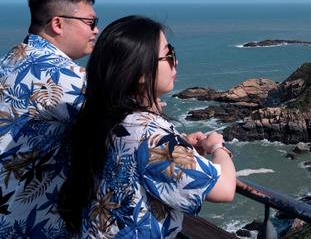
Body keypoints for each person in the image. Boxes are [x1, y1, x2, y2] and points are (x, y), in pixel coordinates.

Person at [59, 15, 236, 238]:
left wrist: (180, 146)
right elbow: (224, 189)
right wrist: (217, 147)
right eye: (168, 55)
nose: (176, 61)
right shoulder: (150, 135)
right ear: (141, 73)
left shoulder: (103, 117)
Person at [0, 0, 98, 237]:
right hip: (30, 222)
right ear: (57, 24)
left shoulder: (10, 61)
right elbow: (126, 127)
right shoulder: (61, 75)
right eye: (90, 22)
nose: (96, 30)